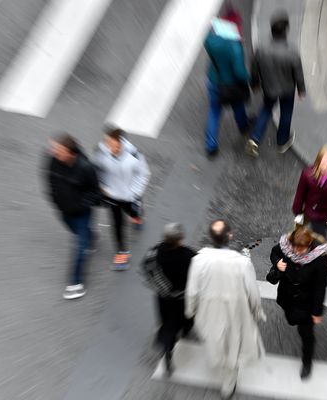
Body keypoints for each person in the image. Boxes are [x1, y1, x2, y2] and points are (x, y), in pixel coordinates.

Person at [185, 220, 265, 399]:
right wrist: (257, 311)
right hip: (236, 312)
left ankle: (222, 367)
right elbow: (253, 292)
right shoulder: (242, 263)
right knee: (234, 344)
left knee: (215, 341)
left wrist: (191, 310)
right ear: (230, 236)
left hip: (209, 311)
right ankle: (229, 381)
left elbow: (192, 291)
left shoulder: (198, 260)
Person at [266, 226, 327, 380]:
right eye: (295, 248)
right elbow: (275, 252)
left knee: (306, 334)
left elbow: (320, 287)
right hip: (288, 296)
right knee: (292, 318)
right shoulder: (286, 247)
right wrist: (277, 263)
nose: (297, 252)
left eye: (302, 249)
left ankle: (307, 362)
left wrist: (316, 312)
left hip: (307, 303)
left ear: (310, 246)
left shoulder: (320, 259)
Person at [44, 133, 100, 300]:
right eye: (55, 149)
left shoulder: (85, 168)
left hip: (81, 213)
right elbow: (49, 179)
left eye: (59, 150)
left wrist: (80, 205)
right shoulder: (54, 160)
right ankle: (91, 238)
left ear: (71, 153)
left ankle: (76, 283)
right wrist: (54, 199)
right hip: (63, 211)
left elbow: (95, 192)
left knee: (79, 246)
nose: (55, 152)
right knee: (77, 233)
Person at [246, 10, 306, 157]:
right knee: (286, 113)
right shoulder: (292, 52)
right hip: (287, 89)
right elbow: (298, 73)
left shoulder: (261, 50)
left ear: (271, 31)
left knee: (266, 110)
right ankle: (282, 142)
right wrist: (301, 90)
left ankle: (254, 139)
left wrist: (255, 84)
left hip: (269, 88)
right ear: (286, 30)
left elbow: (254, 68)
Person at [93, 128, 150, 269]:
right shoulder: (101, 151)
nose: (110, 148)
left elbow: (143, 174)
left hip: (129, 196)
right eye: (108, 144)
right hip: (111, 195)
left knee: (134, 213)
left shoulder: (134, 155)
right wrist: (101, 186)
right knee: (117, 223)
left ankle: (137, 216)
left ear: (121, 143)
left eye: (114, 145)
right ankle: (121, 251)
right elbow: (96, 169)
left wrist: (135, 193)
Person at [204, 15, 253, 157]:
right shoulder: (235, 46)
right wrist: (248, 79)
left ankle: (211, 145)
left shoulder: (210, 38)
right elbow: (239, 72)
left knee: (214, 111)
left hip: (214, 80)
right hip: (231, 85)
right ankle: (243, 126)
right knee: (238, 106)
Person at [152, 223, 197, 376]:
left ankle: (167, 345)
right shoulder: (188, 256)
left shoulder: (156, 251)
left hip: (163, 297)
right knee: (185, 319)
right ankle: (181, 335)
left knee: (167, 323)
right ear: (180, 239)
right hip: (182, 298)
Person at [292, 145, 327, 244]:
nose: (326, 163)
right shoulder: (307, 174)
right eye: (324, 160)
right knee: (319, 236)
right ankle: (323, 247)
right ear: (319, 159)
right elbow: (300, 194)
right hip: (314, 214)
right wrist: (297, 211)